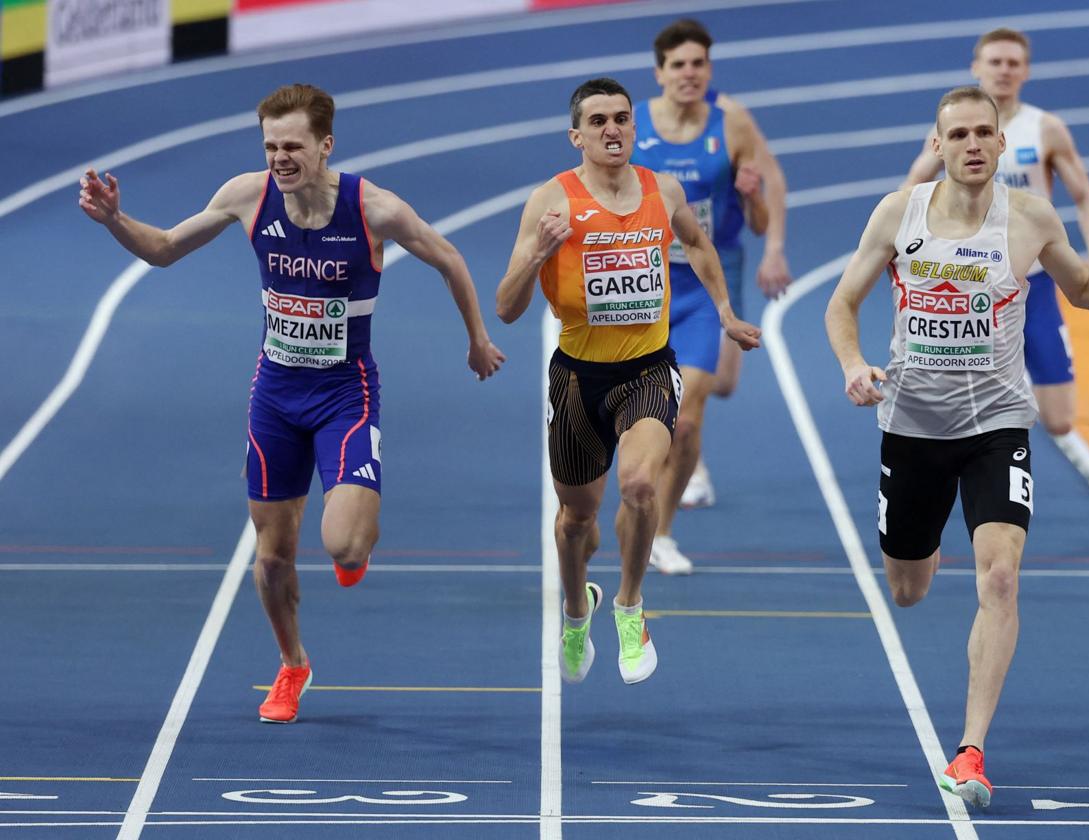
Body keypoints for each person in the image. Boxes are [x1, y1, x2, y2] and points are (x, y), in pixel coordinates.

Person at [79, 83, 505, 724]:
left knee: (344, 547)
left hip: (345, 395)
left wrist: (477, 340)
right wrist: (115, 219)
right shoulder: (247, 196)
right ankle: (292, 664)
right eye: (271, 145)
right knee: (273, 556)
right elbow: (164, 249)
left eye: (293, 146)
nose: (280, 158)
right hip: (275, 398)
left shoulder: (374, 209)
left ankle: (358, 537)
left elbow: (449, 258)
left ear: (325, 145)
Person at [825, 86, 1089, 808]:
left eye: (985, 132)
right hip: (914, 427)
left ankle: (972, 749)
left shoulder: (1029, 218)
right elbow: (840, 303)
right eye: (959, 135)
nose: (974, 145)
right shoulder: (900, 213)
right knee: (908, 589)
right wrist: (854, 365)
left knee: (1002, 579)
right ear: (939, 144)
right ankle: (932, 544)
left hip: (997, 426)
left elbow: (1082, 287)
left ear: (999, 142)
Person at [496, 77, 759, 684]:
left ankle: (630, 607)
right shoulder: (550, 201)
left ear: (634, 129)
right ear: (576, 136)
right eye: (598, 121)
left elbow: (699, 245)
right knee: (575, 520)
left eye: (621, 119)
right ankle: (574, 610)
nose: (612, 130)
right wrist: (537, 253)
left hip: (646, 368)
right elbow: (507, 308)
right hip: (578, 378)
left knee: (640, 486)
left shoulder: (661, 189)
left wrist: (724, 312)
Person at [630, 18, 789, 573]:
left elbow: (760, 209)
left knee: (691, 415)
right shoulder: (632, 126)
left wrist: (756, 206)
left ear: (708, 70)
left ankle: (664, 534)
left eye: (699, 63)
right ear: (660, 73)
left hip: (705, 279)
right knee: (637, 414)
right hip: (639, 282)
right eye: (679, 65)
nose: (689, 73)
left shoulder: (732, 124)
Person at [903, 28, 1089, 436]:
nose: (1004, 70)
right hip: (970, 285)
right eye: (995, 61)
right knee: (958, 414)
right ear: (976, 67)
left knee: (1060, 420)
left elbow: (1085, 197)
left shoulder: (1045, 128)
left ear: (1026, 71)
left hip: (1032, 281)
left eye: (1013, 63)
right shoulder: (954, 126)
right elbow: (912, 186)